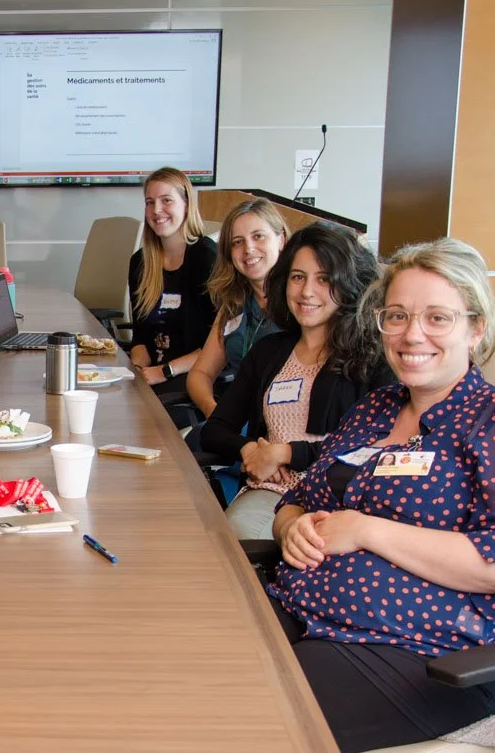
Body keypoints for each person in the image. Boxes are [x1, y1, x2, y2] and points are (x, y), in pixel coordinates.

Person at [265, 237, 495, 753]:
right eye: (398, 316)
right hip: (301, 609)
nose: (412, 335)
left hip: (421, 651)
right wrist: (291, 528)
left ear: (475, 328)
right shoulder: (375, 408)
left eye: (437, 318)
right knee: (186, 670)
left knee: (248, 719)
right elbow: (294, 502)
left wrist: (368, 530)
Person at [201, 222, 390, 540]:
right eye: (298, 277)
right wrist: (250, 450)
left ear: (349, 285)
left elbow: (374, 445)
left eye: (324, 279)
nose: (306, 292)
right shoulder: (269, 351)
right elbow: (215, 430)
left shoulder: (373, 357)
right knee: (222, 545)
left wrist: (288, 453)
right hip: (271, 495)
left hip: (342, 501)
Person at [127, 167, 218, 418]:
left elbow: (217, 345)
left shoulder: (205, 258)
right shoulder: (141, 262)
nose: (156, 210)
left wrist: (165, 371)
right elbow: (140, 338)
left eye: (167, 200)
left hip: (191, 377)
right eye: (150, 202)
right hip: (154, 376)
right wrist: (135, 369)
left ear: (187, 205)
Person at [186, 198, 288, 418]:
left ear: (281, 240)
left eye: (258, 236)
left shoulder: (300, 302)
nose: (248, 249)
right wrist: (212, 409)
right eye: (237, 242)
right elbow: (200, 373)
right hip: (239, 419)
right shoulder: (235, 303)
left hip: (284, 424)